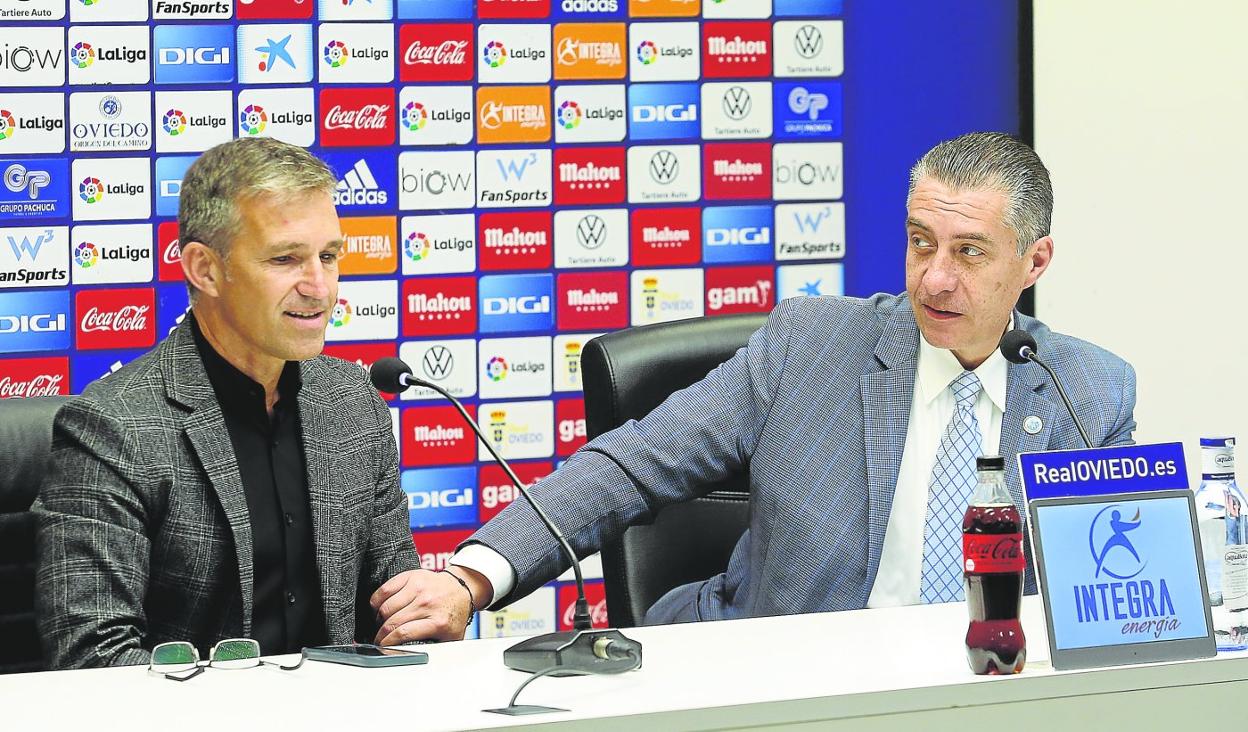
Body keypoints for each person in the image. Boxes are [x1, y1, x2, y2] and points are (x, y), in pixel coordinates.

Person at [370, 131, 1137, 640]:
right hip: (785, 689)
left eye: (970, 252)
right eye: (919, 241)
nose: (934, 277)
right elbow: (630, 463)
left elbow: (1118, 588)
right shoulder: (811, 347)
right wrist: (475, 575)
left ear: (1034, 263)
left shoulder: (1088, 392)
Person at [34, 138, 470, 669]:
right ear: (205, 269)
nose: (321, 288)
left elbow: (397, 619)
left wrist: (426, 623)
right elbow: (92, 663)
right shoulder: (114, 427)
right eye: (286, 259)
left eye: (328, 257)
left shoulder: (353, 403)